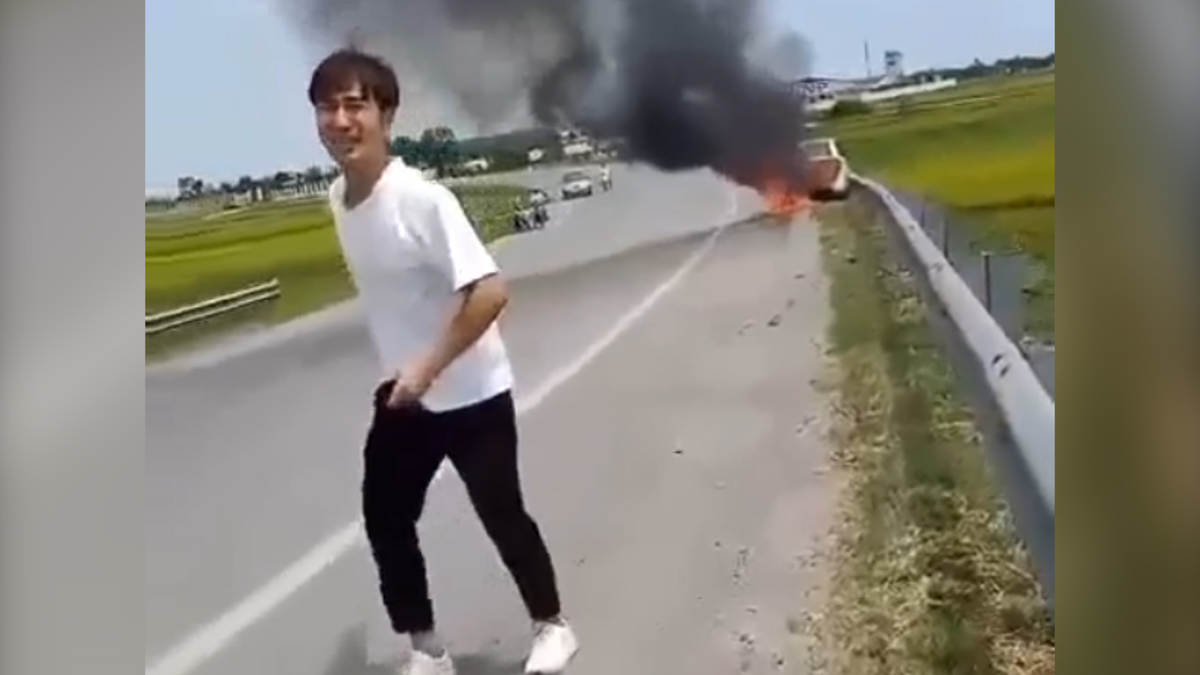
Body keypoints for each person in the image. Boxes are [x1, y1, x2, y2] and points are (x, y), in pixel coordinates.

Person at [308, 48, 580, 675]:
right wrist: (408, 376)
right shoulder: (338, 199)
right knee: (386, 518)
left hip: (473, 395)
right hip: (406, 397)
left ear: (387, 116)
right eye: (327, 107)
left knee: (501, 515)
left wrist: (427, 368)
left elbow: (490, 292)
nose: (340, 120)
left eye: (355, 105)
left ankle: (552, 626)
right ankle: (427, 650)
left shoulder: (422, 201)